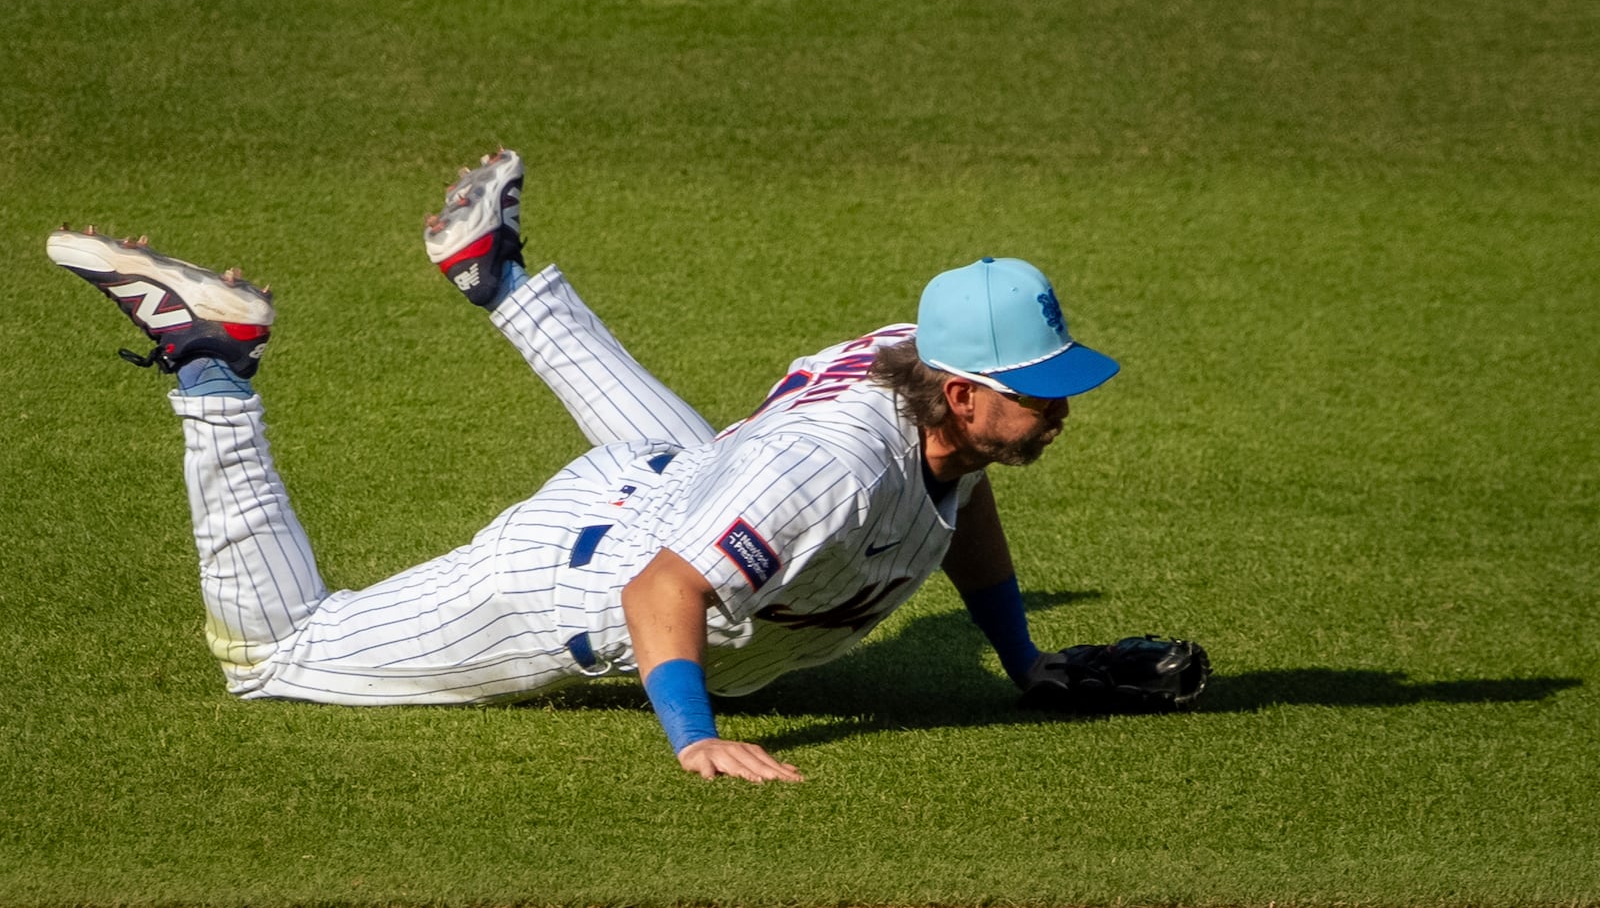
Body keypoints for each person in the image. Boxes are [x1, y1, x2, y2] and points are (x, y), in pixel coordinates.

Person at [45, 149, 1120, 784]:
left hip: (673, 477)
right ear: (966, 391)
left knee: (708, 467)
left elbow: (956, 504)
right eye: (1041, 391)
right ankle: (211, 366)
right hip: (573, 579)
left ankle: (496, 274)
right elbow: (663, 588)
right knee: (276, 653)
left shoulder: (923, 381)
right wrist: (695, 738)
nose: (1061, 407)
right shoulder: (835, 468)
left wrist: (1023, 657)